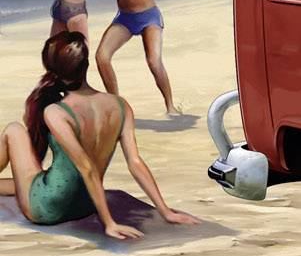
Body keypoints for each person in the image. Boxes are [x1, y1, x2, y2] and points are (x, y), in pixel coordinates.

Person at [1, 32, 197, 240]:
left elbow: (86, 168)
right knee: (28, 179)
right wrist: (165, 211)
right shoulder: (120, 106)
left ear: (54, 72)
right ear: (85, 66)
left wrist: (109, 223)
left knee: (14, 130)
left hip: (48, 207)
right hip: (85, 205)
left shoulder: (56, 112)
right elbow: (135, 162)